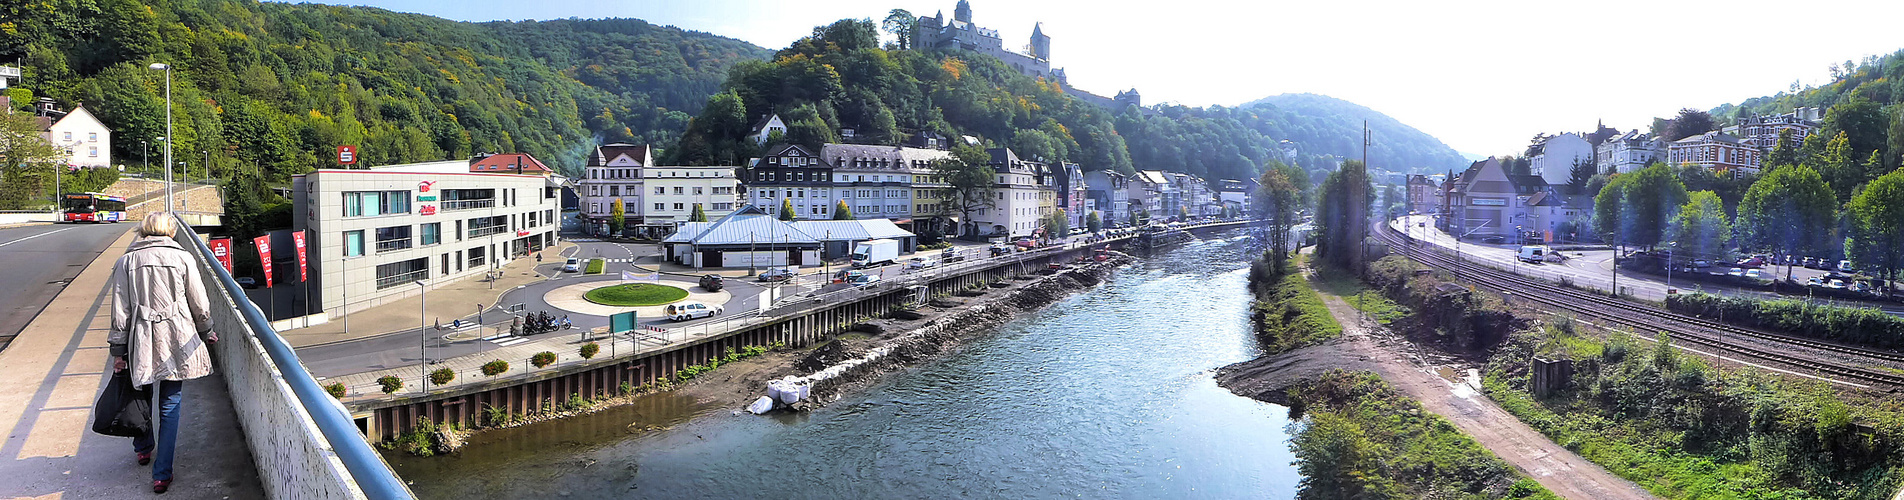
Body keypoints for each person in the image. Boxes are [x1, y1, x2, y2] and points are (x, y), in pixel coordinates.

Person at [109, 212, 217, 494]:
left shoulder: (127, 261)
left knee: (140, 394)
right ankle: (162, 474)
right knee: (170, 403)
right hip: (176, 337)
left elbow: (120, 309)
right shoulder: (183, 258)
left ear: (144, 231)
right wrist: (206, 331)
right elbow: (199, 301)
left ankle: (143, 448)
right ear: (171, 232)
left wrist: (118, 349)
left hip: (140, 337)